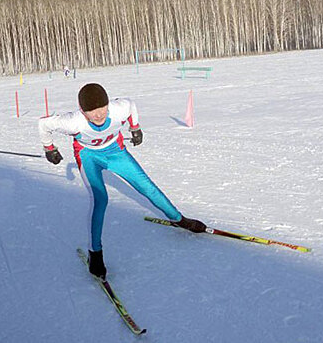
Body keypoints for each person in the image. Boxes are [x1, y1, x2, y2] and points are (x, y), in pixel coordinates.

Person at [39, 83, 206, 279]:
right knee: (101, 200)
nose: (99, 114)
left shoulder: (119, 109)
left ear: (108, 104)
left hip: (116, 153)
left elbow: (131, 105)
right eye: (92, 111)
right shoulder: (72, 122)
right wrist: (49, 148)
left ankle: (179, 220)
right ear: (83, 111)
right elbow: (43, 124)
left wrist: (135, 127)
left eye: (102, 108)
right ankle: (95, 254)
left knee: (147, 187)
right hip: (88, 157)